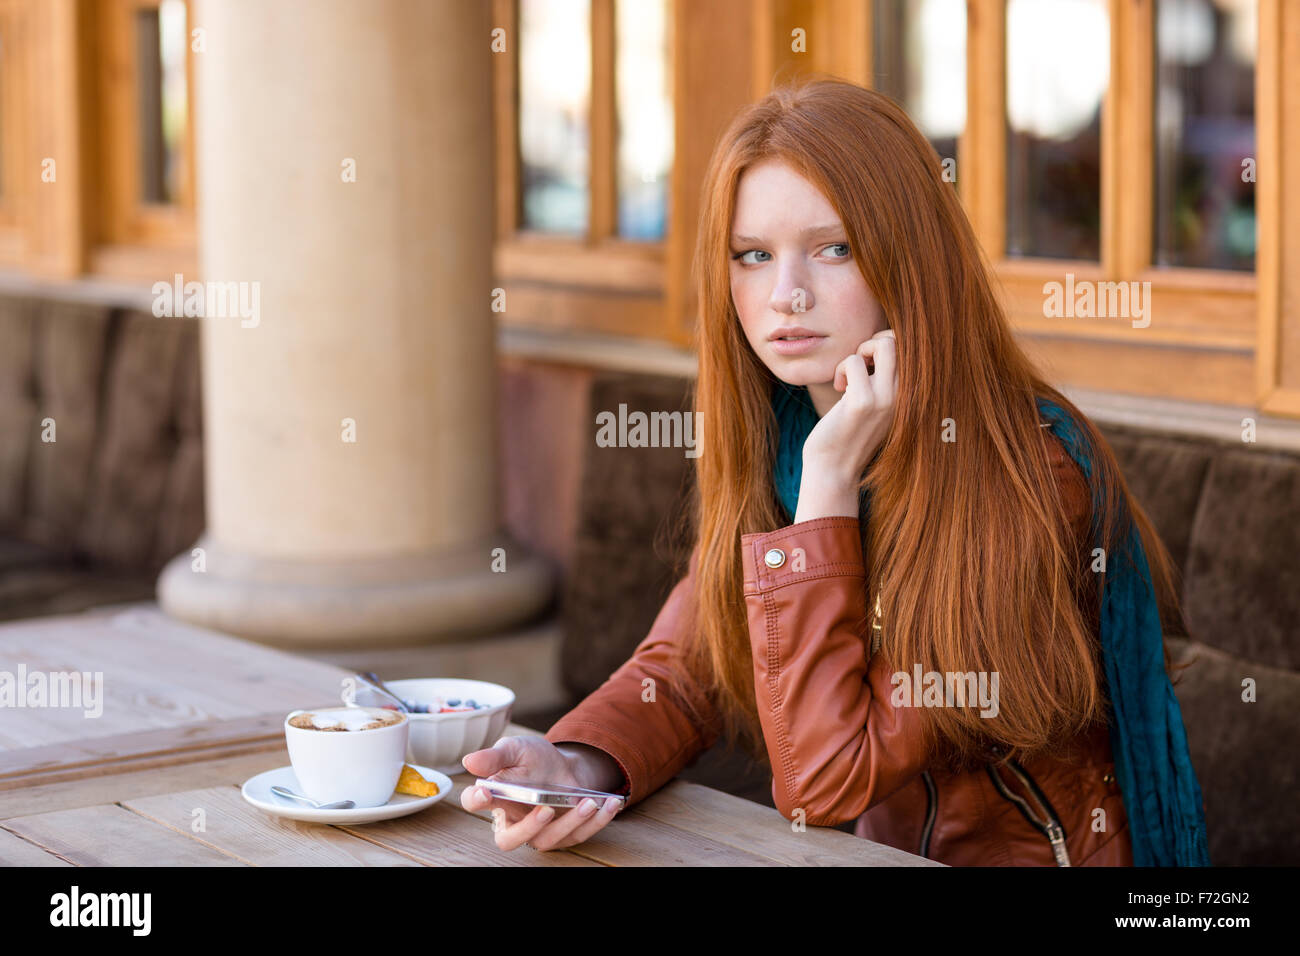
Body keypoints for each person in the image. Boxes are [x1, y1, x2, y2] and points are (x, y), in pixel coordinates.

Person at [461, 76, 1210, 866]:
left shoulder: (1026, 473)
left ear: (910, 263)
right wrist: (577, 763)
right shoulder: (786, 433)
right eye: (752, 256)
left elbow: (824, 782)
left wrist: (827, 492)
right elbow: (697, 661)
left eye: (834, 248)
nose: (785, 294)